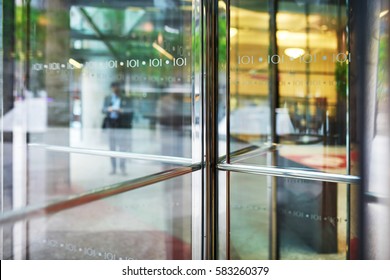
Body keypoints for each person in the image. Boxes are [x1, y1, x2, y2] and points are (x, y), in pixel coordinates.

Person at [102, 81, 133, 175]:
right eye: (114, 87)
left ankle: (122, 167)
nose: (115, 89)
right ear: (112, 88)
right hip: (111, 124)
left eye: (117, 87)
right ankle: (113, 168)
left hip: (121, 125)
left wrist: (121, 110)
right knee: (112, 148)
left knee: (122, 148)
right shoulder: (107, 98)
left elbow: (131, 110)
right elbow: (103, 109)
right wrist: (108, 109)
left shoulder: (126, 98)